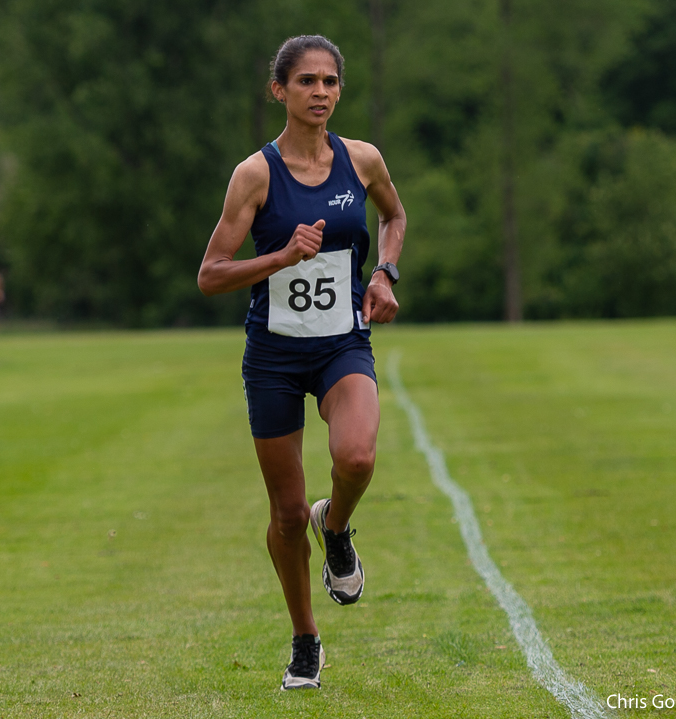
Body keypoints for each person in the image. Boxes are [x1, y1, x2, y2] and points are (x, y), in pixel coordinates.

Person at [197, 35, 406, 691]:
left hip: (343, 341)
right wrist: (279, 259)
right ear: (279, 91)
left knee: (358, 458)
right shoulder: (255, 175)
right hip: (275, 356)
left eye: (330, 82)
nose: (320, 92)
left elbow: (395, 217)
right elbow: (211, 274)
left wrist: (385, 273)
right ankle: (305, 639)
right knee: (285, 514)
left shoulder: (362, 159)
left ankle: (336, 526)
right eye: (307, 81)